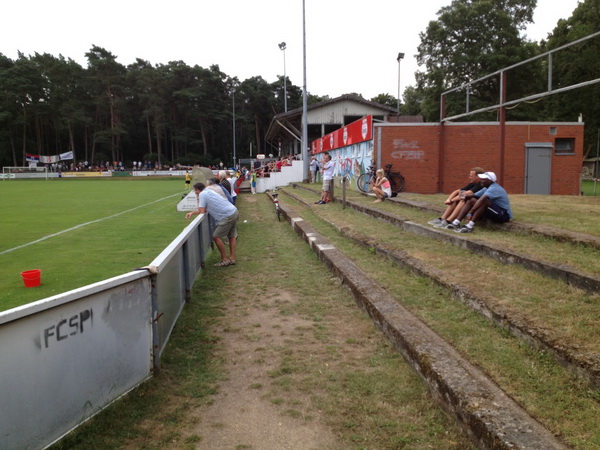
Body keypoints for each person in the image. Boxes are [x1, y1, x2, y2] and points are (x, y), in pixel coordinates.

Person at [186, 182, 239, 266]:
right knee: (231, 236)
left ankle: (224, 260)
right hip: (233, 211)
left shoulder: (202, 194)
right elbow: (204, 209)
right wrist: (192, 213)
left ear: (197, 190)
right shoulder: (209, 191)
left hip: (227, 216)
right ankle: (232, 259)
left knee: (216, 236)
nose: (195, 192)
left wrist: (198, 201)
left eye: (195, 191)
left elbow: (202, 211)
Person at [445, 171, 512, 233]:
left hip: (503, 214)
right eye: (481, 179)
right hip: (493, 211)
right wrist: (463, 195)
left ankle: (470, 226)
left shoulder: (494, 188)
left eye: (483, 179)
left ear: (490, 180)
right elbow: (473, 195)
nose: (481, 181)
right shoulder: (486, 188)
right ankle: (456, 222)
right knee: (471, 200)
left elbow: (482, 200)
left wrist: (470, 213)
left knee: (483, 201)